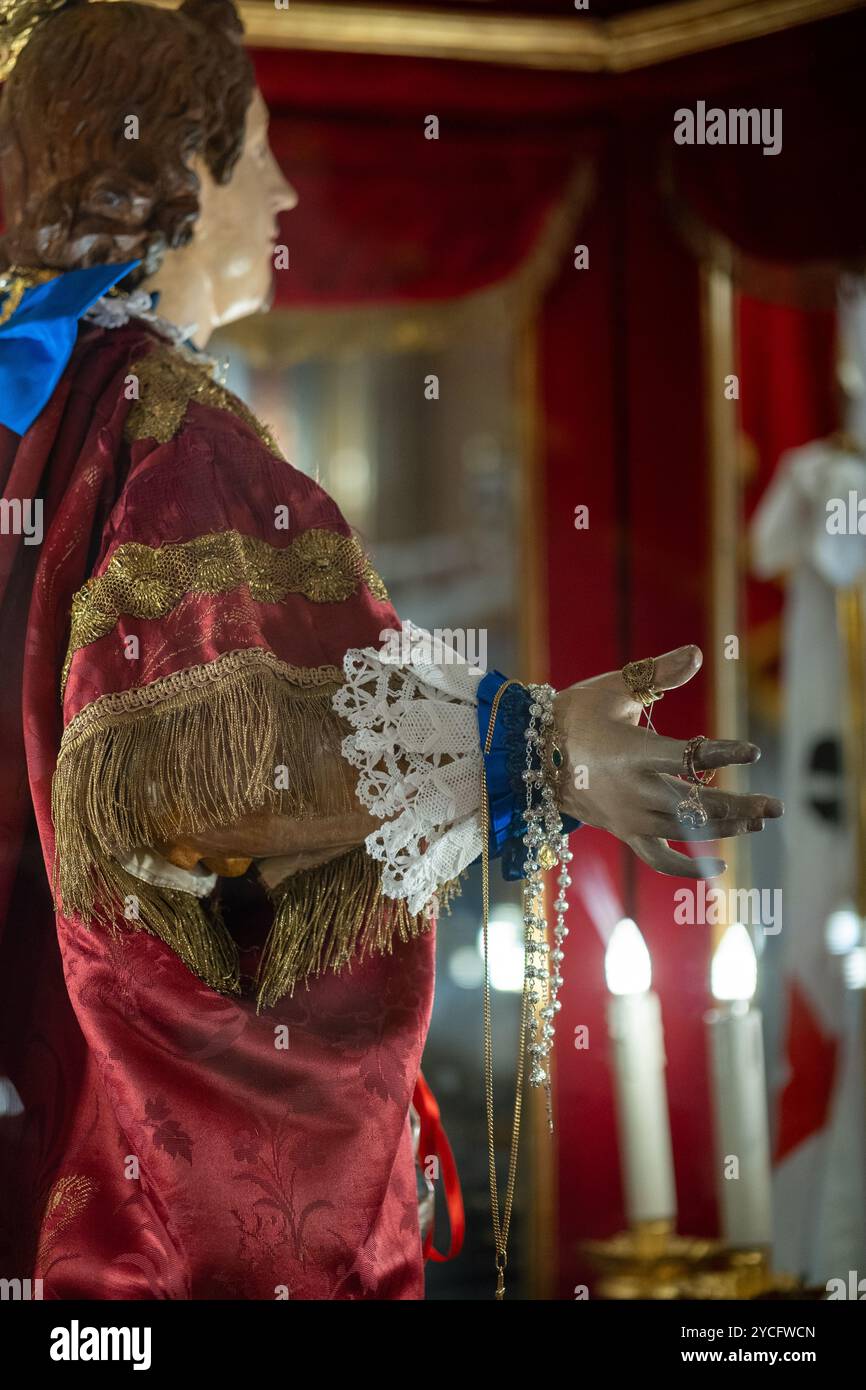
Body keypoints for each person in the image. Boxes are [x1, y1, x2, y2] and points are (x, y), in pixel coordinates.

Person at [0, 0, 782, 1299]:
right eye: (255, 147)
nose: (285, 186)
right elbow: (185, 769)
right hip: (181, 1232)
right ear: (182, 173)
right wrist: (527, 746)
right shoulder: (175, 436)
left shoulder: (55, 413)